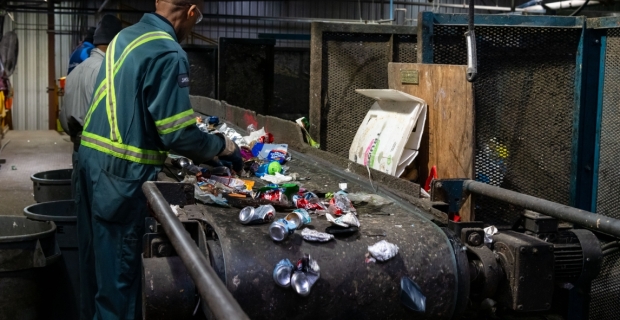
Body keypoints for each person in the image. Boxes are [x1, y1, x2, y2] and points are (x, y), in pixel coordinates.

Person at [76, 1, 242, 319]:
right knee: (120, 288)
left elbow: (132, 104)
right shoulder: (168, 51)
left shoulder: (125, 38)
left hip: (89, 162)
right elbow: (178, 136)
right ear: (192, 11)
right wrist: (222, 147)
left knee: (98, 270)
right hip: (120, 175)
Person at [60, 14, 123, 152]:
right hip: (98, 148)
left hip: (77, 145)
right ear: (115, 42)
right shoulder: (106, 72)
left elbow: (63, 116)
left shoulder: (74, 72)